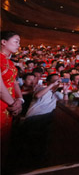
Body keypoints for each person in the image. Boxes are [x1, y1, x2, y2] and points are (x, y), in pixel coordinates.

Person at [1, 31, 23, 159]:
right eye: (16, 41)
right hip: (5, 104)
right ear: (3, 42)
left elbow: (14, 83)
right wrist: (14, 104)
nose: (18, 45)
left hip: (10, 105)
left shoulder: (11, 63)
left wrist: (20, 99)